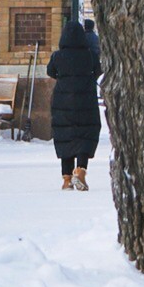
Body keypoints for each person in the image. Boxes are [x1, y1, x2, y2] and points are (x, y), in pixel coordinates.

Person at [49, 18, 100, 191]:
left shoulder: (57, 56)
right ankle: (81, 170)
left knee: (66, 137)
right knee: (85, 135)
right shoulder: (90, 55)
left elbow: (51, 71)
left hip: (63, 101)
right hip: (86, 100)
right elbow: (98, 70)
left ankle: (66, 179)